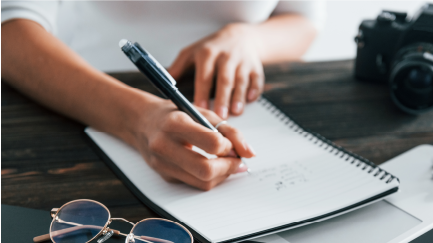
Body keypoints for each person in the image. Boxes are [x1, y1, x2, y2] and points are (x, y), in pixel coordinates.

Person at [0, 0, 324, 190]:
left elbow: (303, 19)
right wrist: (136, 117)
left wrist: (251, 40)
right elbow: (10, 24)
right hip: (82, 100)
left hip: (243, 102)